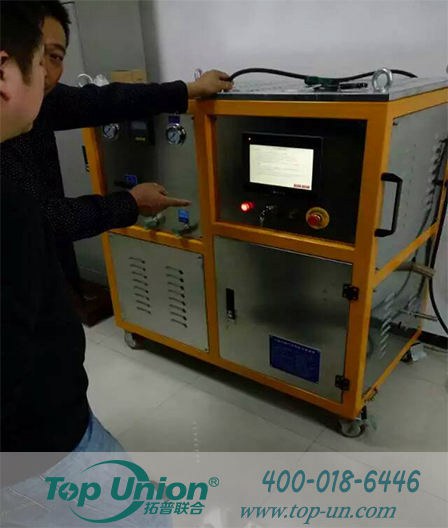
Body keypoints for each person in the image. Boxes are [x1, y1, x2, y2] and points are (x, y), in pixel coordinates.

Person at [1, 0, 233, 294]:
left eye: (54, 57)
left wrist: (187, 90)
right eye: (36, 58)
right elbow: (43, 222)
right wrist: (129, 203)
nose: (44, 72)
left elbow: (102, 101)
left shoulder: (38, 107)